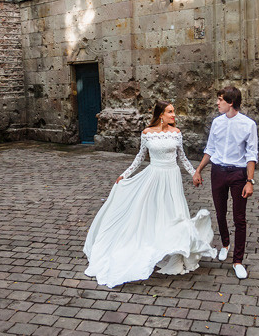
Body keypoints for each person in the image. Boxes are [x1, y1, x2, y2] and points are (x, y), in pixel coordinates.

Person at [83, 101, 216, 288]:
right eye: (170, 112)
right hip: (154, 176)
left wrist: (194, 173)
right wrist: (125, 175)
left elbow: (182, 157)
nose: (174, 115)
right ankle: (154, 246)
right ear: (161, 114)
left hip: (172, 177)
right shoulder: (146, 133)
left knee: (175, 214)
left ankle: (176, 254)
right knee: (154, 214)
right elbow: (139, 158)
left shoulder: (176, 133)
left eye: (174, 111)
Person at [192, 86, 258, 279]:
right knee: (220, 213)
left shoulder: (248, 124)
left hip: (238, 174)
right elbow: (210, 148)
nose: (217, 103)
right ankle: (225, 244)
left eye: (220, 99)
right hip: (218, 172)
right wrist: (198, 170)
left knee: (240, 218)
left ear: (231, 102)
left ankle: (237, 261)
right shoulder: (216, 123)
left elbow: (251, 154)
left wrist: (249, 181)